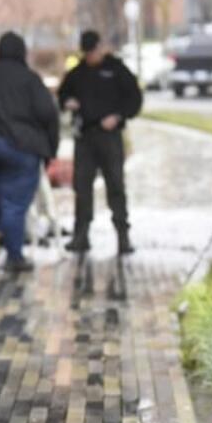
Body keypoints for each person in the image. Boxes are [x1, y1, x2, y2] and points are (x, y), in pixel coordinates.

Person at [0, 31, 60, 272]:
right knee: (13, 205)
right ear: (22, 53)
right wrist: (50, 151)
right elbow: (49, 115)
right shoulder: (30, 79)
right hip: (21, 147)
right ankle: (14, 257)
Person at [57, 29, 143, 254]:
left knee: (115, 185)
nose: (90, 57)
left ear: (100, 48)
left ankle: (123, 236)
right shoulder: (77, 73)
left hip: (110, 137)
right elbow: (62, 95)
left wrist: (118, 116)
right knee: (82, 187)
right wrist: (68, 102)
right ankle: (81, 235)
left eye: (93, 52)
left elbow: (134, 99)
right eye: (86, 53)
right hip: (85, 137)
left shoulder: (116, 70)